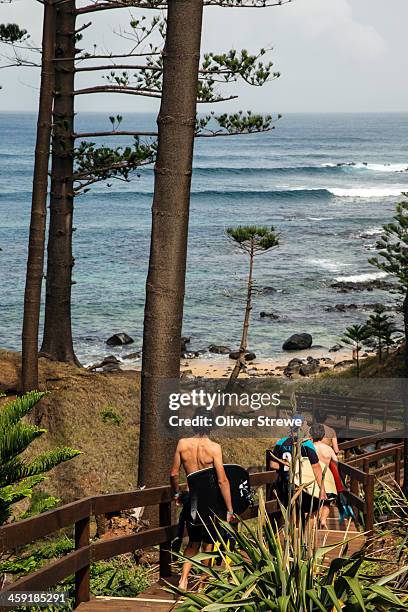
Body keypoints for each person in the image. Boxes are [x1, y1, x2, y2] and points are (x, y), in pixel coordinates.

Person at [170, 416, 233, 591]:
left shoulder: (182, 444)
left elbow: (174, 474)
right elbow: (222, 480)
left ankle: (183, 580)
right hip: (211, 501)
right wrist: (229, 508)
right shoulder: (214, 448)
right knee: (209, 541)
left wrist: (176, 493)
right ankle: (202, 584)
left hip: (192, 499)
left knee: (193, 541)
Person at [270, 415, 327, 524]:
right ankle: (302, 537)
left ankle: (288, 534)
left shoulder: (280, 442)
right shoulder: (306, 444)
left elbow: (273, 464)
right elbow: (316, 466)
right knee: (305, 511)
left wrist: (286, 467)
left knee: (288, 511)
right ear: (301, 427)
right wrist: (322, 489)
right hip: (302, 485)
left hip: (285, 483)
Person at [309, 423, 338, 529]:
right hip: (326, 478)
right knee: (326, 502)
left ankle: (313, 521)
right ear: (323, 436)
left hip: (312, 477)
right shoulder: (328, 449)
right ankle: (323, 520)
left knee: (315, 501)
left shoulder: (309, 447)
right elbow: (336, 462)